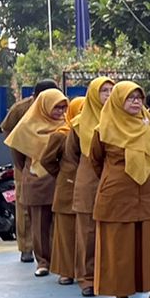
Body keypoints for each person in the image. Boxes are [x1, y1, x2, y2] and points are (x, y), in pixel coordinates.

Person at [90, 81, 150, 298]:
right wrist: (115, 178)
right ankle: (121, 293)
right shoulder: (103, 129)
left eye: (139, 97)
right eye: (130, 97)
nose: (136, 101)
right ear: (118, 101)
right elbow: (96, 161)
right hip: (118, 194)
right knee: (120, 244)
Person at [5, 87, 67, 276]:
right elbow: (17, 154)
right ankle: (43, 262)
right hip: (36, 179)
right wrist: (29, 170)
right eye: (57, 107)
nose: (60, 112)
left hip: (60, 179)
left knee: (61, 223)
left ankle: (60, 261)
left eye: (63, 107)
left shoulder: (67, 125)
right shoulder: (25, 126)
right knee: (38, 222)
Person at [0, 79, 57, 262]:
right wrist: (21, 149)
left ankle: (52, 250)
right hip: (26, 163)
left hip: (53, 165)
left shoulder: (59, 105)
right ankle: (26, 248)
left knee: (53, 207)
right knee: (24, 206)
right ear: (34, 96)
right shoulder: (20, 109)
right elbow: (7, 129)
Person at [71, 77, 114, 296]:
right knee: (87, 232)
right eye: (103, 91)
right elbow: (70, 157)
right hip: (89, 182)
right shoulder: (79, 124)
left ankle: (115, 277)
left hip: (116, 183)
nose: (108, 94)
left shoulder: (122, 120)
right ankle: (87, 278)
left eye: (111, 90)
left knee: (116, 233)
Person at [41, 95, 84, 285]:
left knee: (87, 234)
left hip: (89, 189)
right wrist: (62, 175)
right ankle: (66, 272)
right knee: (66, 234)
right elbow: (47, 160)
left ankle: (86, 271)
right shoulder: (61, 134)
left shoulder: (97, 131)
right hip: (68, 189)